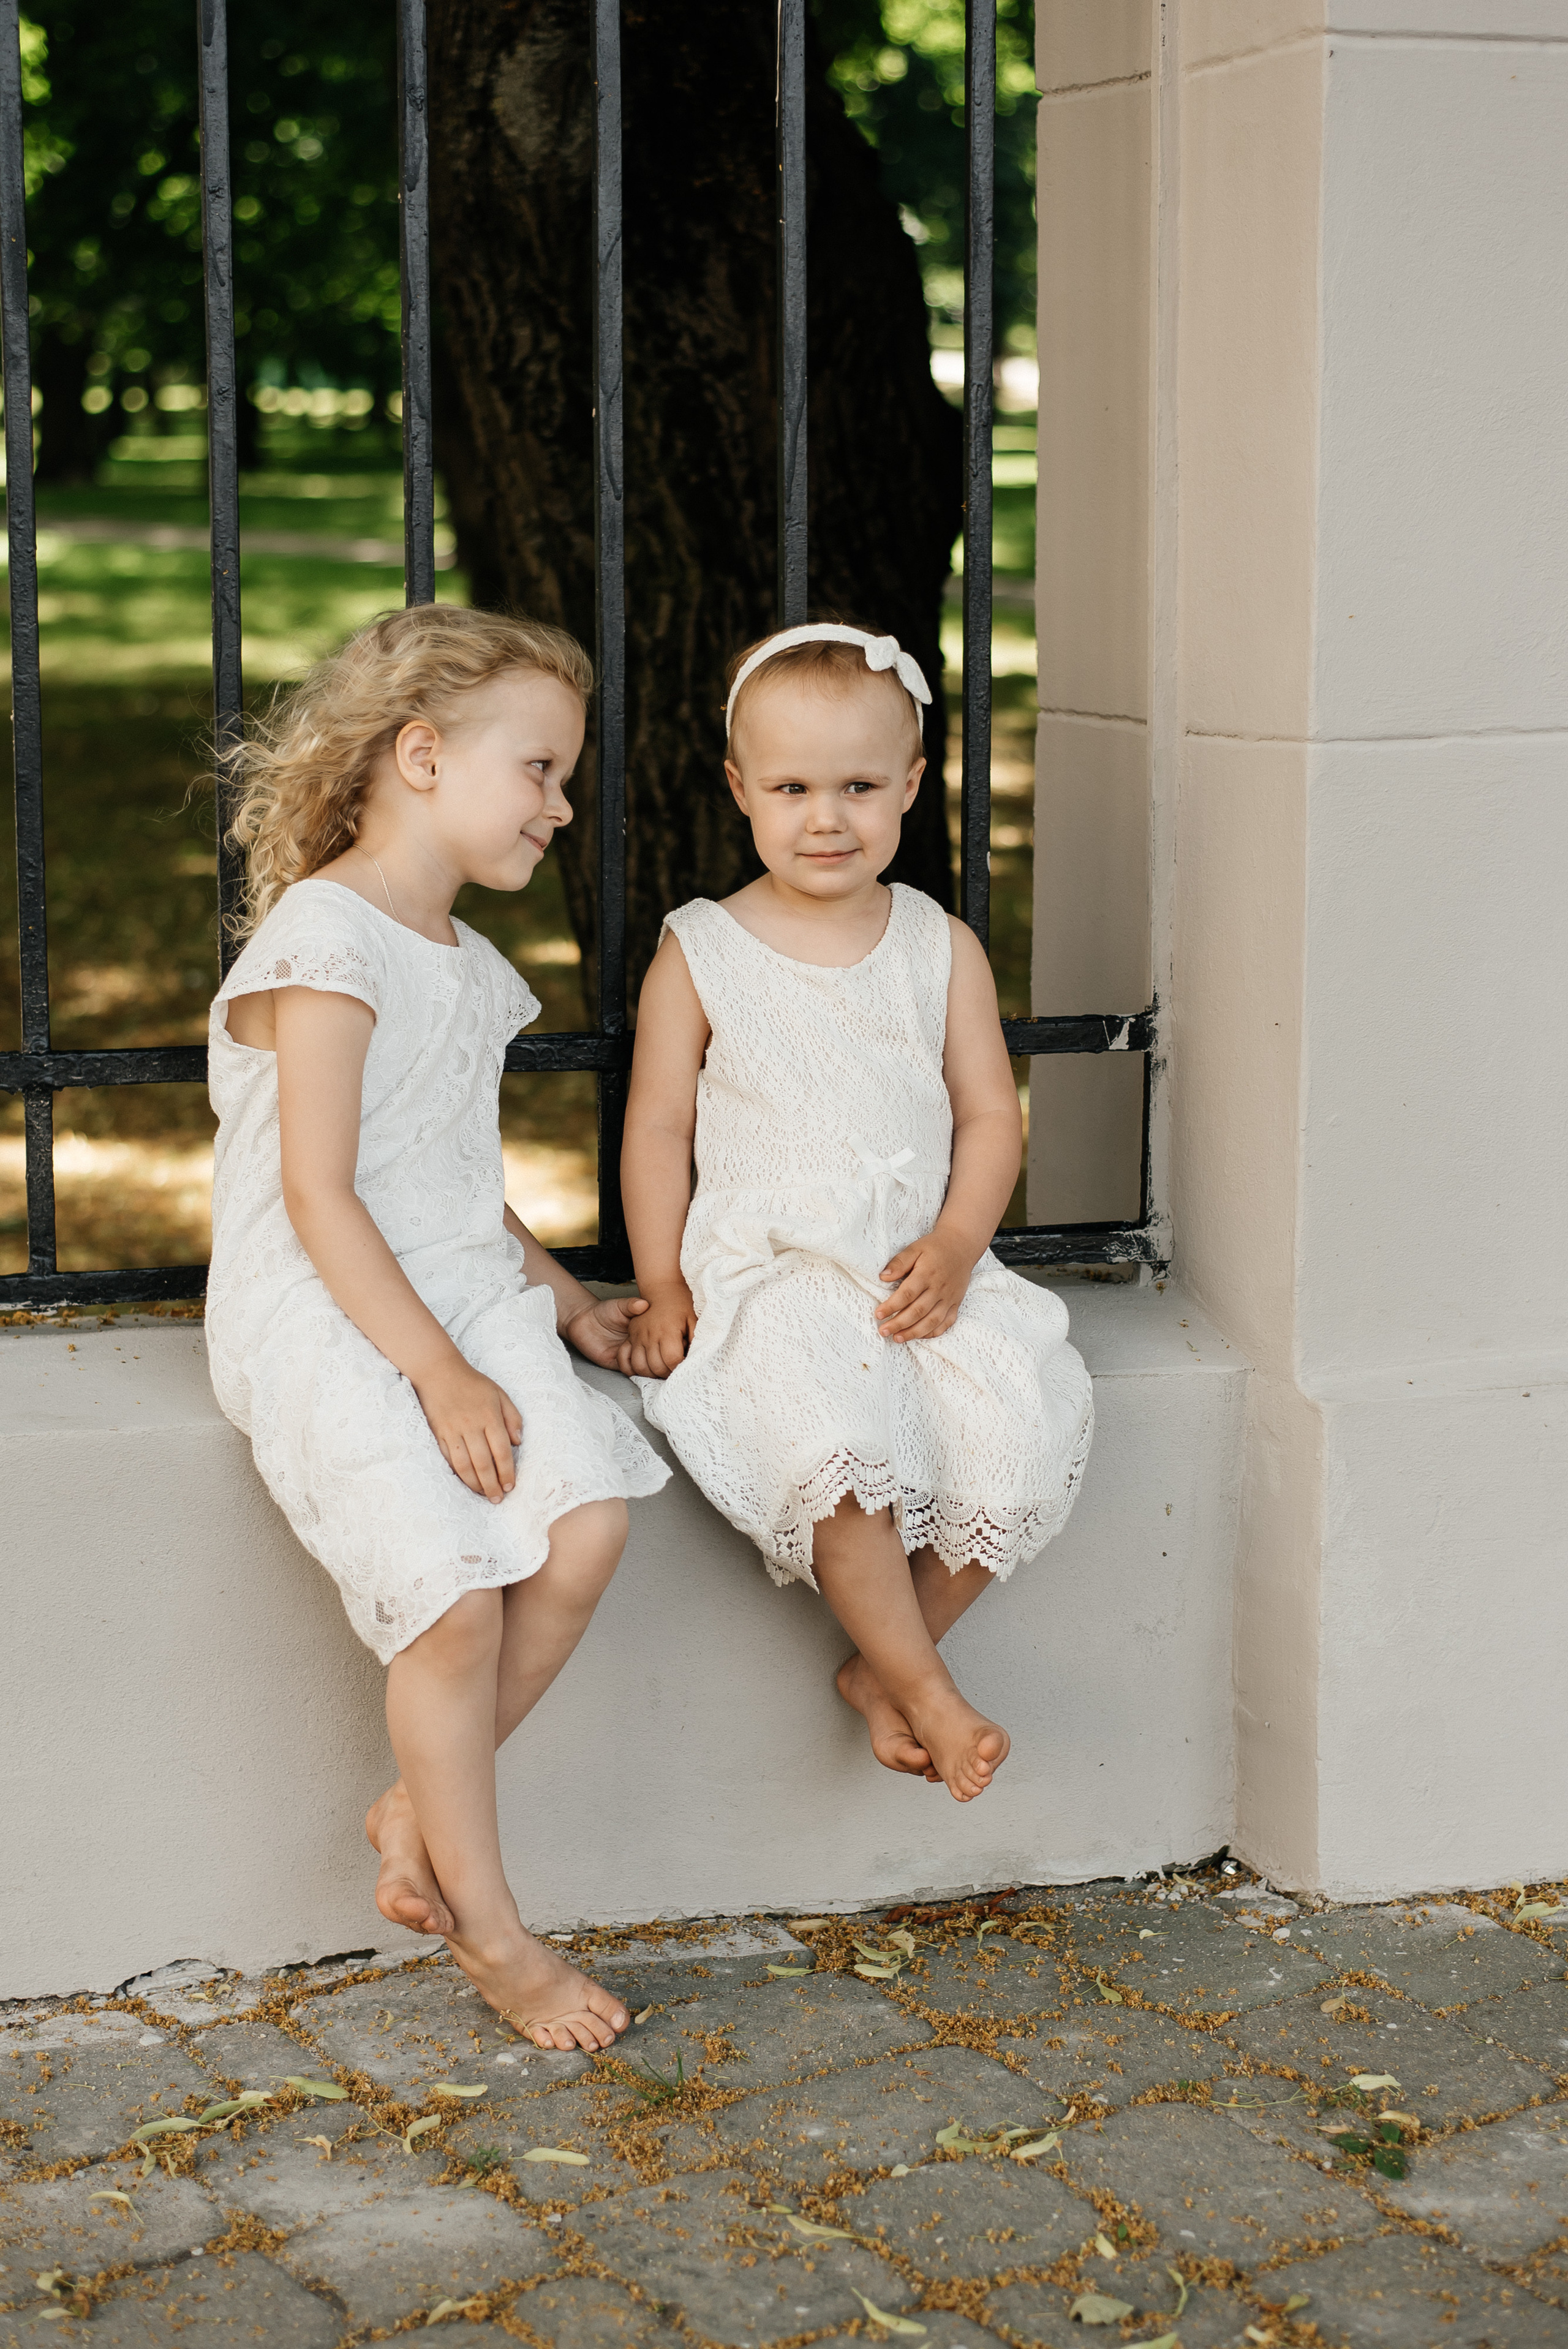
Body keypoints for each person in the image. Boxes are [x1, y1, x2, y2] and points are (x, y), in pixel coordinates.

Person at [206, 605, 669, 2051]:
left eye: (564, 775)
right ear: (420, 754)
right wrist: (441, 1372)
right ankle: (494, 1936)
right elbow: (324, 1192)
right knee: (458, 1600)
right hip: (326, 1305)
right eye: (536, 768)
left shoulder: (460, 960)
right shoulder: (326, 940)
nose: (560, 804)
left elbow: (457, 1191)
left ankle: (418, 1811)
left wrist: (567, 1304)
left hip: (455, 1292)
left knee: (585, 1522)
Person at [618, 622, 1093, 1803]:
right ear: (739, 790)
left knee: (1016, 1430)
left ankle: (884, 1671)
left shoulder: (940, 947)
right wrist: (665, 1284)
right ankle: (926, 1691)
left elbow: (989, 1117)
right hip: (770, 1271)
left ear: (913, 788)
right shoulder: (703, 949)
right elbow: (656, 1129)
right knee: (835, 1459)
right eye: (791, 788)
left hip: (908, 1268)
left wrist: (956, 1243)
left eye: (860, 787)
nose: (825, 818)